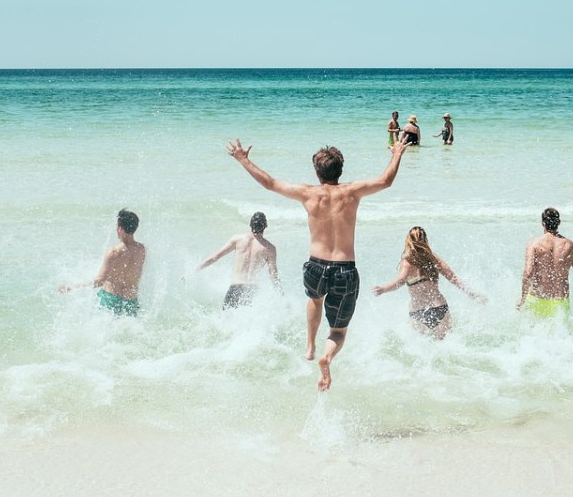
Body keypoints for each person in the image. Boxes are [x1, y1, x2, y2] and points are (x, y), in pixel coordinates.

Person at [226, 138, 408, 390]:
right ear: (340, 170)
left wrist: (242, 159)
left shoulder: (308, 193)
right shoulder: (352, 191)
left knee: (315, 299)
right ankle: (327, 356)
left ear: (316, 171)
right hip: (345, 268)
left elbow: (269, 183)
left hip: (315, 266)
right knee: (339, 332)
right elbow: (386, 180)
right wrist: (397, 152)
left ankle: (310, 345)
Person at [373, 226, 486, 339]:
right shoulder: (432, 258)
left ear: (408, 241)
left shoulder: (407, 261)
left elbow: (401, 280)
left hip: (418, 312)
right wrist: (472, 293)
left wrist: (384, 289)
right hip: (439, 308)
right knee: (446, 347)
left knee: (421, 351)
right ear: (425, 240)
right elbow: (453, 278)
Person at [59, 209, 146, 317]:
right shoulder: (141, 250)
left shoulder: (114, 252)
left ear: (120, 228)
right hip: (131, 301)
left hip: (112, 299)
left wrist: (72, 287)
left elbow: (99, 281)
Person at [517, 207, 573, 317]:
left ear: (542, 223)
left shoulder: (534, 243)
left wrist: (522, 298)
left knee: (533, 333)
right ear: (559, 222)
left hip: (537, 298)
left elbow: (528, 272)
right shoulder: (569, 245)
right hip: (559, 301)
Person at [199, 211, 280, 308]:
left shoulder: (238, 239)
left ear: (250, 224)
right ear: (265, 226)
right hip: (252, 290)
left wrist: (195, 269)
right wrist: (280, 293)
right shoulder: (269, 248)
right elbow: (273, 274)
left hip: (235, 288)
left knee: (226, 319)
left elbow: (215, 256)